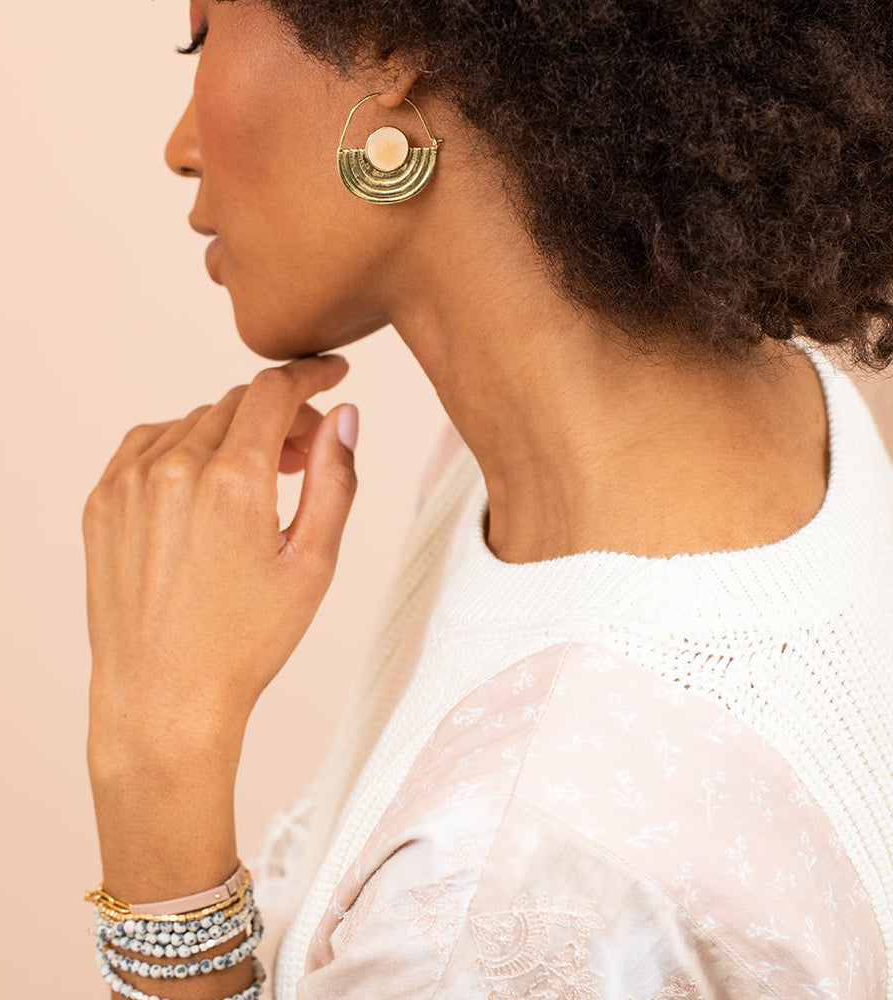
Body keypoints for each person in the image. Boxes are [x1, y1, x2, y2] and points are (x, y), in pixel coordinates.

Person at [81, 1, 893, 998]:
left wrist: (153, 752)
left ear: (387, 44)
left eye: (201, 35)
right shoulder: (778, 395)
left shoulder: (504, 900)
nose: (178, 147)